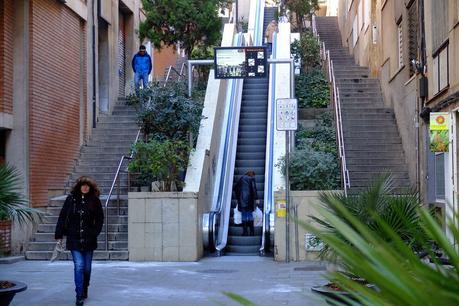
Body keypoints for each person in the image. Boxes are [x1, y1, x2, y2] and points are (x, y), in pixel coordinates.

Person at [55, 176, 104, 306]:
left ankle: (85, 287)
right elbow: (62, 217)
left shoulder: (95, 200)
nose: (85, 187)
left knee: (87, 269)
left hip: (89, 240)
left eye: (88, 185)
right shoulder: (71, 200)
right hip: (74, 239)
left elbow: (100, 219)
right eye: (83, 185)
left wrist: (94, 233)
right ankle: (79, 294)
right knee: (79, 266)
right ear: (79, 186)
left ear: (91, 187)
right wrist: (59, 235)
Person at [234, 170, 258, 236]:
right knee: (250, 215)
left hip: (242, 200)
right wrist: (256, 198)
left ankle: (245, 232)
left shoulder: (241, 178)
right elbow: (254, 189)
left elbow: (235, 188)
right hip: (250, 200)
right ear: (252, 175)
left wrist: (238, 197)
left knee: (244, 216)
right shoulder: (252, 179)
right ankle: (252, 232)